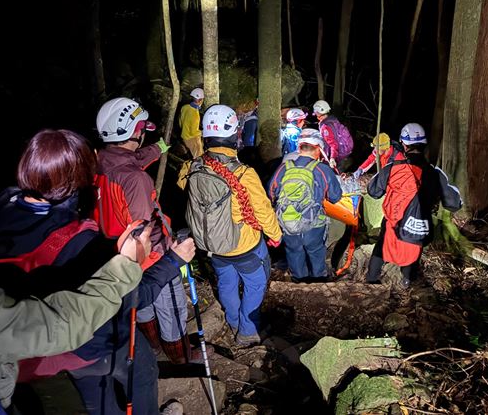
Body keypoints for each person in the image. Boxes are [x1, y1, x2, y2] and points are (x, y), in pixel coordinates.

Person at [0, 130, 194, 415]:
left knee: (96, 399)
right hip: (95, 341)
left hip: (38, 348)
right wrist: (172, 260)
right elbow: (131, 299)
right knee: (142, 373)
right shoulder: (79, 242)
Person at [94, 97, 201, 364]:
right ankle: (180, 355)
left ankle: (151, 344)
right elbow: (143, 228)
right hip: (149, 254)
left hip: (116, 251)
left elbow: (132, 159)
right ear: (134, 132)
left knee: (141, 304)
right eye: (141, 128)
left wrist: (160, 147)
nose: (143, 133)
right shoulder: (135, 179)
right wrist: (171, 255)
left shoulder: (101, 160)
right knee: (170, 305)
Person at [178, 105, 283, 347]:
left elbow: (184, 187)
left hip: (211, 244)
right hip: (242, 245)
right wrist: (275, 235)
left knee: (226, 281)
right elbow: (263, 210)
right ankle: (247, 330)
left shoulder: (191, 167)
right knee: (255, 283)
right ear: (235, 134)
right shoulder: (244, 174)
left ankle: (234, 321)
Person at [365, 123, 462, 289]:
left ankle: (371, 280)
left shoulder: (393, 167)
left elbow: (373, 191)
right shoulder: (435, 173)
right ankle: (407, 283)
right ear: (423, 145)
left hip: (393, 223)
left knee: (382, 244)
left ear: (404, 144)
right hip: (419, 224)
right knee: (414, 246)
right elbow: (454, 203)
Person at [269, 129, 342, 282]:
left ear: (299, 147)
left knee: (294, 252)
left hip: (289, 222)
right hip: (313, 225)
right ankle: (318, 283)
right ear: (318, 148)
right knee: (315, 252)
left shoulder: (284, 167)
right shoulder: (322, 169)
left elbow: (271, 193)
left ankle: (298, 283)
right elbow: (335, 197)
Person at [313, 100, 353, 170]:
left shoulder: (326, 127)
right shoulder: (333, 120)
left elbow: (333, 144)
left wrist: (332, 158)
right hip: (343, 154)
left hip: (336, 157)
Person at [179, 87, 205, 159]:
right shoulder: (195, 114)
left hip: (183, 135)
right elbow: (193, 132)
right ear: (200, 100)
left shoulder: (184, 107)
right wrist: (202, 132)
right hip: (191, 139)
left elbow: (180, 122)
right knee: (199, 157)